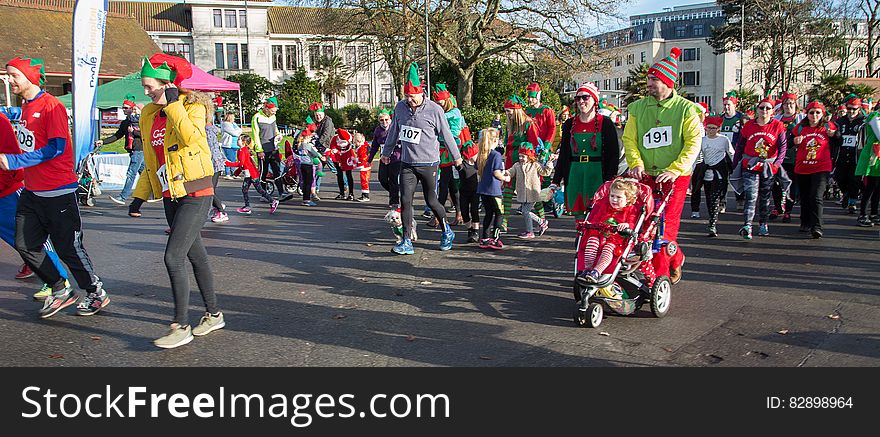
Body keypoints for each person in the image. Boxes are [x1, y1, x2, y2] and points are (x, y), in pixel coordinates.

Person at [0, 56, 109, 319]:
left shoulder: (52, 106)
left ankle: (95, 292)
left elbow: (56, 148)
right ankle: (61, 290)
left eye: (14, 75)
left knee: (67, 247)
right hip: (32, 190)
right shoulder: (27, 106)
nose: (9, 80)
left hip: (58, 190)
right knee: (25, 244)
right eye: (8, 75)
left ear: (29, 77)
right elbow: (23, 127)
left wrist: (14, 160)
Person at [133, 53, 224, 348]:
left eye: (151, 87)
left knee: (173, 256)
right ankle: (214, 314)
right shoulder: (148, 114)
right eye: (145, 87)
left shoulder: (192, 107)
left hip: (197, 190)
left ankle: (180, 325)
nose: (146, 93)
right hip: (170, 193)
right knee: (195, 255)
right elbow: (151, 160)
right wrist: (139, 196)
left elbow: (191, 139)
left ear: (169, 85)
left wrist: (174, 103)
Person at [622, 47, 701, 283]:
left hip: (674, 178)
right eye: (648, 79)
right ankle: (675, 258)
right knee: (643, 225)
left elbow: (693, 143)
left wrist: (674, 169)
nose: (649, 84)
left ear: (667, 82)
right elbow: (629, 138)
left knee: (663, 229)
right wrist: (635, 163)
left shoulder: (686, 109)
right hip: (645, 175)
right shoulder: (638, 108)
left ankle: (659, 277)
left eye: (654, 79)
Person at [380, 62, 461, 254]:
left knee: (432, 201)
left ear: (421, 93)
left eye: (413, 96)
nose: (410, 100)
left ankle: (446, 231)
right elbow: (394, 131)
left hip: (428, 163)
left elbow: (446, 134)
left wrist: (456, 158)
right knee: (405, 201)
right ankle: (407, 241)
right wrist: (386, 153)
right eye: (407, 96)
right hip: (407, 163)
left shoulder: (434, 110)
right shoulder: (400, 108)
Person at [0, 109, 70, 299]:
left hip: (6, 192)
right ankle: (34, 265)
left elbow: (12, 156)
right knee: (19, 240)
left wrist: (6, 184)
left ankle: (58, 279)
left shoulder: (1, 121)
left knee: (29, 238)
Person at [554, 82, 621, 220]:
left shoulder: (606, 123)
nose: (581, 101)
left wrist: (609, 180)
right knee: (579, 218)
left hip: (597, 174)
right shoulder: (569, 124)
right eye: (578, 98)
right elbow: (564, 155)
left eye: (585, 97)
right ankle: (580, 241)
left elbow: (613, 154)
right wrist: (556, 181)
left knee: (598, 215)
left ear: (594, 100)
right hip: (575, 173)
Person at [731, 96, 789, 239]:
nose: (764, 110)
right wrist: (735, 164)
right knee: (751, 196)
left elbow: (783, 147)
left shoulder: (777, 126)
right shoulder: (749, 126)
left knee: (764, 197)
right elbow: (740, 147)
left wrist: (777, 164)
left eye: (768, 108)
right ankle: (747, 225)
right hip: (750, 165)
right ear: (757, 110)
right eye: (761, 107)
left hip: (768, 166)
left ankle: (763, 223)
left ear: (772, 111)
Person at [576, 178, 640, 283]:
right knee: (591, 241)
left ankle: (596, 271)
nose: (614, 200)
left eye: (618, 197)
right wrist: (590, 224)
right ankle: (587, 269)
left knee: (608, 249)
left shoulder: (631, 210)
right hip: (599, 234)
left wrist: (627, 225)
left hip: (616, 239)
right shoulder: (604, 206)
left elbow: (633, 223)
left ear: (628, 199)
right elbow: (595, 218)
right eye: (612, 196)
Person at [792, 101, 836, 238]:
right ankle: (805, 222)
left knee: (816, 196)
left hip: (821, 167)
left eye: (818, 112)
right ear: (807, 114)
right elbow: (788, 142)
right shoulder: (800, 128)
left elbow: (838, 142)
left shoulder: (828, 127)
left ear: (822, 114)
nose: (815, 115)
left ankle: (817, 226)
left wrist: (835, 135)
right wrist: (794, 141)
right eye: (812, 112)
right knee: (805, 197)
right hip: (803, 167)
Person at [501, 95, 542, 231]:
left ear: (516, 110)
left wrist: (532, 163)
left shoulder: (528, 123)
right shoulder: (510, 125)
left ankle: (542, 219)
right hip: (511, 160)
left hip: (526, 162)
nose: (507, 114)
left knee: (532, 193)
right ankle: (504, 221)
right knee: (507, 189)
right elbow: (507, 142)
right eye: (506, 111)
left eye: (509, 111)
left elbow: (534, 145)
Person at [432, 84, 470, 225]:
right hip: (443, 151)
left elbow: (443, 121)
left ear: (446, 100)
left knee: (445, 185)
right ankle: (458, 214)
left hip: (452, 152)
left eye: (439, 102)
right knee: (451, 186)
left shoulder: (454, 112)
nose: (438, 104)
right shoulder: (444, 112)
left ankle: (438, 217)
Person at [98, 94, 143, 205]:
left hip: (139, 149)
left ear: (133, 109)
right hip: (133, 150)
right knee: (144, 173)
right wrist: (103, 141)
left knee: (131, 173)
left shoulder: (141, 121)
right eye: (123, 107)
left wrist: (134, 132)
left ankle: (123, 197)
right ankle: (155, 193)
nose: (123, 109)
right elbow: (117, 135)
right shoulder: (125, 123)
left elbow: (146, 134)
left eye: (126, 108)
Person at [695, 115, 734, 237]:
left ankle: (713, 223)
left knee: (715, 198)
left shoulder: (723, 140)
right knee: (708, 198)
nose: (711, 130)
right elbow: (697, 156)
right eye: (708, 128)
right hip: (707, 173)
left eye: (713, 128)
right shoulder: (702, 140)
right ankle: (711, 219)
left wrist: (736, 169)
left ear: (718, 128)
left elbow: (731, 154)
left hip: (719, 173)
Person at [509, 142, 555, 238]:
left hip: (533, 193)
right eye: (520, 156)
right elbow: (510, 172)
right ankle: (532, 229)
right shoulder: (517, 165)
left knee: (525, 212)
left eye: (523, 156)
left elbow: (545, 172)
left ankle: (538, 225)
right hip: (522, 193)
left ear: (529, 156)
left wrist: (549, 163)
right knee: (525, 213)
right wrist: (504, 173)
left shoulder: (535, 165)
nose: (521, 158)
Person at [226, 134, 279, 214]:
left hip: (251, 174)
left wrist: (228, 164)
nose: (237, 141)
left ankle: (272, 201)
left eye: (239, 139)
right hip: (250, 173)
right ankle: (248, 206)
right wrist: (237, 172)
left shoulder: (242, 151)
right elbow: (244, 164)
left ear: (244, 142)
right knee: (246, 189)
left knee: (258, 189)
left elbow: (241, 164)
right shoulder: (242, 150)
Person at [772, 92, 805, 222]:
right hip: (778, 156)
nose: (788, 106)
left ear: (795, 105)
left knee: (791, 183)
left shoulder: (801, 119)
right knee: (775, 183)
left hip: (794, 156)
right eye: (786, 103)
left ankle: (788, 210)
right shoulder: (777, 119)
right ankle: (777, 207)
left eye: (791, 104)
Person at [476, 129, 510, 249]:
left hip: (483, 189)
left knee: (488, 214)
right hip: (494, 190)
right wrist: (505, 178)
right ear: (495, 140)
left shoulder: (481, 154)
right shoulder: (496, 155)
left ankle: (484, 237)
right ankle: (495, 239)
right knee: (499, 213)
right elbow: (496, 173)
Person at [833, 94, 865, 214]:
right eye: (849, 108)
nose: (851, 111)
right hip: (841, 154)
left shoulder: (863, 122)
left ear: (859, 109)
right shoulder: (840, 121)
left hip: (856, 155)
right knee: (840, 178)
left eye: (854, 109)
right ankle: (846, 193)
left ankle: (852, 202)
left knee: (854, 179)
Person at [252, 96, 288, 199]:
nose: (274, 113)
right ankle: (264, 194)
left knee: (277, 170)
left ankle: (281, 192)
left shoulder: (273, 117)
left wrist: (279, 135)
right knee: (264, 172)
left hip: (274, 148)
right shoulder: (257, 117)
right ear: (267, 108)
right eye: (273, 111)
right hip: (263, 150)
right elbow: (255, 135)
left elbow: (275, 129)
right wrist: (259, 150)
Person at [460, 128, 488, 243]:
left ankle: (475, 231)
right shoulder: (462, 165)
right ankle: (470, 229)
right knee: (464, 212)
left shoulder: (479, 164)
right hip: (463, 192)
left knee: (475, 210)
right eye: (475, 154)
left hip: (475, 191)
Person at [719, 91, 745, 213]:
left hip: (736, 153)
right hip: (722, 154)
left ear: (734, 105)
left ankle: (740, 200)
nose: (726, 107)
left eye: (729, 105)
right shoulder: (720, 119)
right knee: (722, 179)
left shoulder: (741, 119)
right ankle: (722, 202)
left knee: (737, 177)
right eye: (725, 105)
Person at [856, 107, 880, 226]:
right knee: (871, 185)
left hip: (878, 156)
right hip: (873, 156)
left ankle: (874, 213)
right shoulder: (875, 117)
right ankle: (863, 214)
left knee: (878, 187)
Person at [372, 109, 399, 208]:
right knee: (382, 179)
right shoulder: (378, 130)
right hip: (383, 158)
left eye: (386, 120)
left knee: (393, 179)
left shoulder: (395, 128)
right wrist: (369, 159)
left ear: (390, 119)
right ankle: (394, 192)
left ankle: (394, 201)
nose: (384, 122)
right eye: (382, 120)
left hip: (396, 158)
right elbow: (375, 145)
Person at [311, 102, 335, 198]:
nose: (318, 117)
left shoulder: (328, 122)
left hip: (327, 147)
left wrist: (317, 143)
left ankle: (345, 185)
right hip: (320, 148)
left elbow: (326, 134)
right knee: (318, 167)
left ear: (323, 114)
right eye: (316, 115)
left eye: (320, 115)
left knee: (334, 168)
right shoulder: (316, 122)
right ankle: (316, 188)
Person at [297, 128, 325, 206]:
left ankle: (305, 199)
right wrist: (320, 156)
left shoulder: (300, 145)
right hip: (309, 165)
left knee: (305, 182)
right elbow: (315, 153)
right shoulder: (308, 145)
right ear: (307, 137)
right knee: (309, 182)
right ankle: (307, 200)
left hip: (302, 164)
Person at [329, 128, 358, 200]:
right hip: (337, 155)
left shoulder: (349, 137)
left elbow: (352, 148)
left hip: (347, 155)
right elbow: (332, 148)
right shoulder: (335, 139)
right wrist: (338, 160)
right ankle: (342, 193)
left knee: (349, 174)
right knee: (339, 174)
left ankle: (351, 194)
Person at [220, 112, 242, 179]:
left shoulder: (234, 124)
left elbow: (240, 130)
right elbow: (234, 133)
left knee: (233, 159)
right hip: (228, 145)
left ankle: (233, 173)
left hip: (235, 144)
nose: (234, 118)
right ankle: (228, 173)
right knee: (229, 159)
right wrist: (237, 132)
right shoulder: (226, 124)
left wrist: (237, 131)